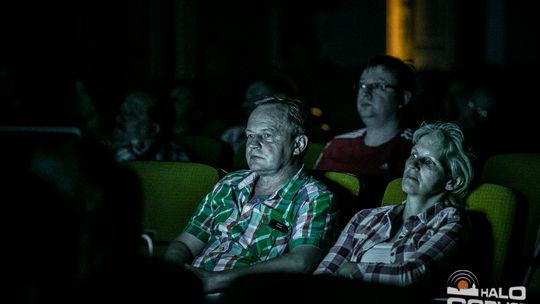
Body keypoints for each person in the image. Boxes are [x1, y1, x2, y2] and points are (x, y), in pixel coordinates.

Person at [164, 96, 338, 296]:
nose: (253, 144)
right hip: (192, 288)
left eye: (267, 135)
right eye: (249, 135)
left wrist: (216, 280)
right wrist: (172, 276)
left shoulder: (314, 197)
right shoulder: (229, 184)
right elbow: (184, 243)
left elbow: (302, 261)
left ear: (298, 145)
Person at [314, 121, 473, 290]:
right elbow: (324, 273)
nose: (414, 164)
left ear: (453, 182)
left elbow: (411, 276)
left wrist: (351, 269)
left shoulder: (451, 222)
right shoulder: (365, 217)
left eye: (428, 162)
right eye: (413, 155)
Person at [315, 54, 416, 213]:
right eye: (362, 85)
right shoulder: (337, 145)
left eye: (379, 86)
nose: (366, 92)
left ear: (403, 98)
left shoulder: (415, 149)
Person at [220, 73, 299, 154]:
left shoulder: (293, 144)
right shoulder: (233, 135)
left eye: (254, 97)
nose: (244, 105)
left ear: (280, 98)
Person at [107, 90, 192, 162]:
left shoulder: (171, 154)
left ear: (154, 129)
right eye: (122, 110)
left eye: (132, 113)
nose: (121, 117)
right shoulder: (106, 145)